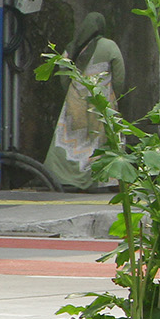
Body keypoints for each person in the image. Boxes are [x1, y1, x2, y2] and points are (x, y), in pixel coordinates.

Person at [44, 13, 126, 191]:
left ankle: (64, 178)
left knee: (71, 140)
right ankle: (102, 180)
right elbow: (119, 76)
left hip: (75, 100)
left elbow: (62, 69)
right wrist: (113, 95)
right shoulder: (109, 46)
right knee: (101, 139)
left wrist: (70, 90)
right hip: (101, 100)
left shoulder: (73, 47)